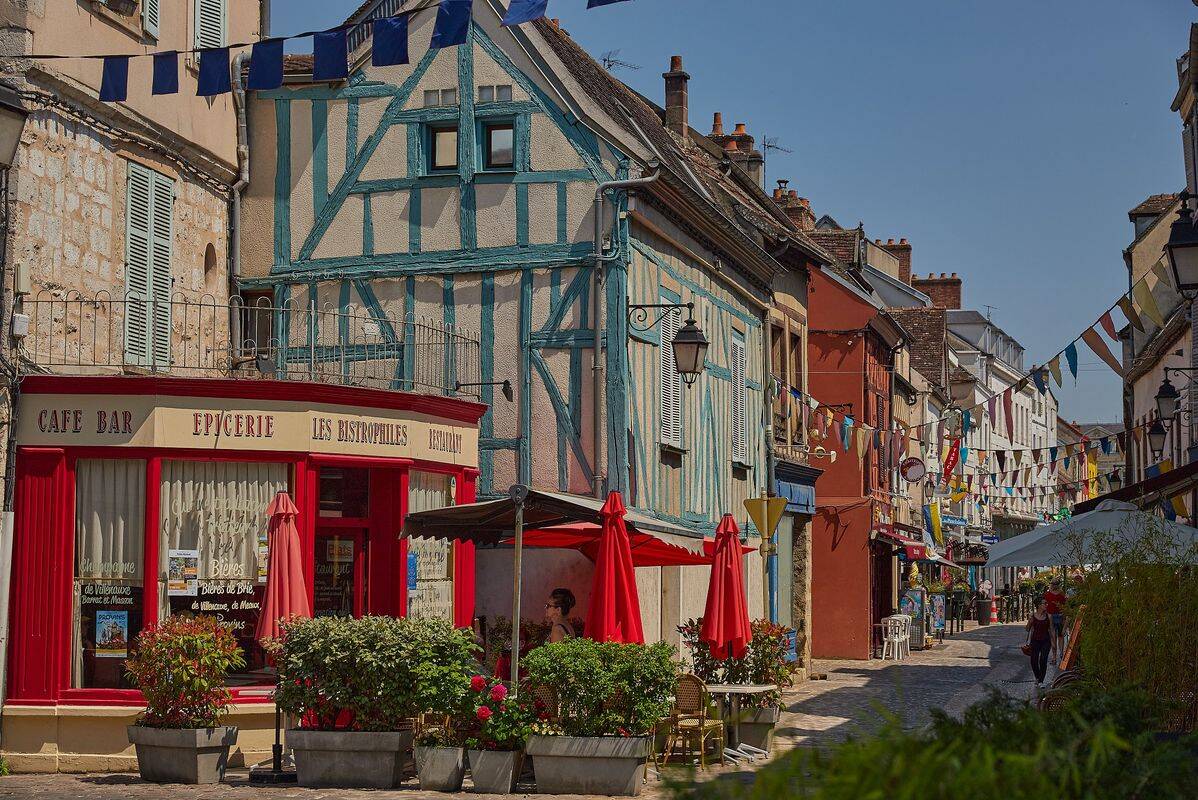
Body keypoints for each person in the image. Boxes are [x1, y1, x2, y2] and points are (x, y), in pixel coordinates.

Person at [1025, 596, 1053, 691]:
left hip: (1046, 641)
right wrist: (1030, 621)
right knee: (1033, 660)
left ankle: (1041, 681)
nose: (1046, 605)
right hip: (1035, 640)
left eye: (1046, 603)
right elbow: (1027, 629)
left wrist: (1053, 643)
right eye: (1044, 603)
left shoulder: (1048, 616)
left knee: (1043, 660)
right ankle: (1037, 677)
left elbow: (1051, 630)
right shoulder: (1033, 616)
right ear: (1038, 605)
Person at [1043, 578, 1067, 663]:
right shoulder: (1061, 594)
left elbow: (1044, 606)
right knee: (1058, 637)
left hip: (1052, 617)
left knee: (1054, 638)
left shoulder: (1047, 594)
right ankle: (1059, 655)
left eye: (1054, 584)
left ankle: (1056, 657)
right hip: (1055, 617)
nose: (1053, 585)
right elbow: (1065, 606)